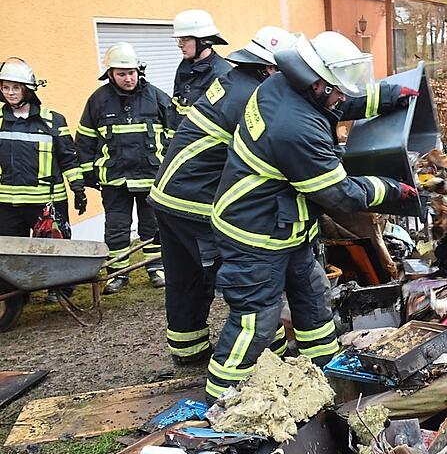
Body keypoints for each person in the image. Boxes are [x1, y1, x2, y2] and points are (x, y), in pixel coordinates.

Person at [205, 32, 419, 400]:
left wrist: (387, 97)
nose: (341, 97)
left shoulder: (283, 84)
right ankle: (222, 399)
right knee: (255, 323)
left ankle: (324, 375)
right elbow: (340, 194)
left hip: (286, 227)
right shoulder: (295, 127)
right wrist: (392, 190)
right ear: (317, 82)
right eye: (336, 89)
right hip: (254, 234)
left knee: (314, 302)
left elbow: (337, 104)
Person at [150, 27, 299, 365]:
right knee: (251, 276)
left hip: (168, 197)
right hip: (196, 202)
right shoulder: (255, 97)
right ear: (270, 68)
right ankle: (268, 356)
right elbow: (275, 152)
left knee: (184, 279)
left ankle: (188, 352)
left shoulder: (234, 81)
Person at [76, 43, 172, 293]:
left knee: (152, 225)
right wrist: (88, 174)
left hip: (150, 177)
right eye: (121, 73)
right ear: (110, 74)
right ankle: (118, 273)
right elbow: (85, 140)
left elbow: (175, 135)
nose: (128, 78)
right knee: (116, 227)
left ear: (139, 71)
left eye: (131, 72)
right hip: (114, 179)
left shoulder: (157, 97)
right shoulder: (98, 101)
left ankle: (156, 268)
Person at [0, 58, 85, 241]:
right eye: (5, 87)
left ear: (28, 89)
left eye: (16, 87)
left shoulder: (53, 121)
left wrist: (78, 189)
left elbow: (68, 159)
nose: (10, 93)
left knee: (54, 256)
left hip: (48, 203)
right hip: (8, 205)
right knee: (12, 258)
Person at [168, 9, 233, 132]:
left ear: (203, 41)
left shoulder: (222, 74)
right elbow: (175, 109)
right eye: (179, 39)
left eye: (185, 39)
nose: (180, 45)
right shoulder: (185, 67)